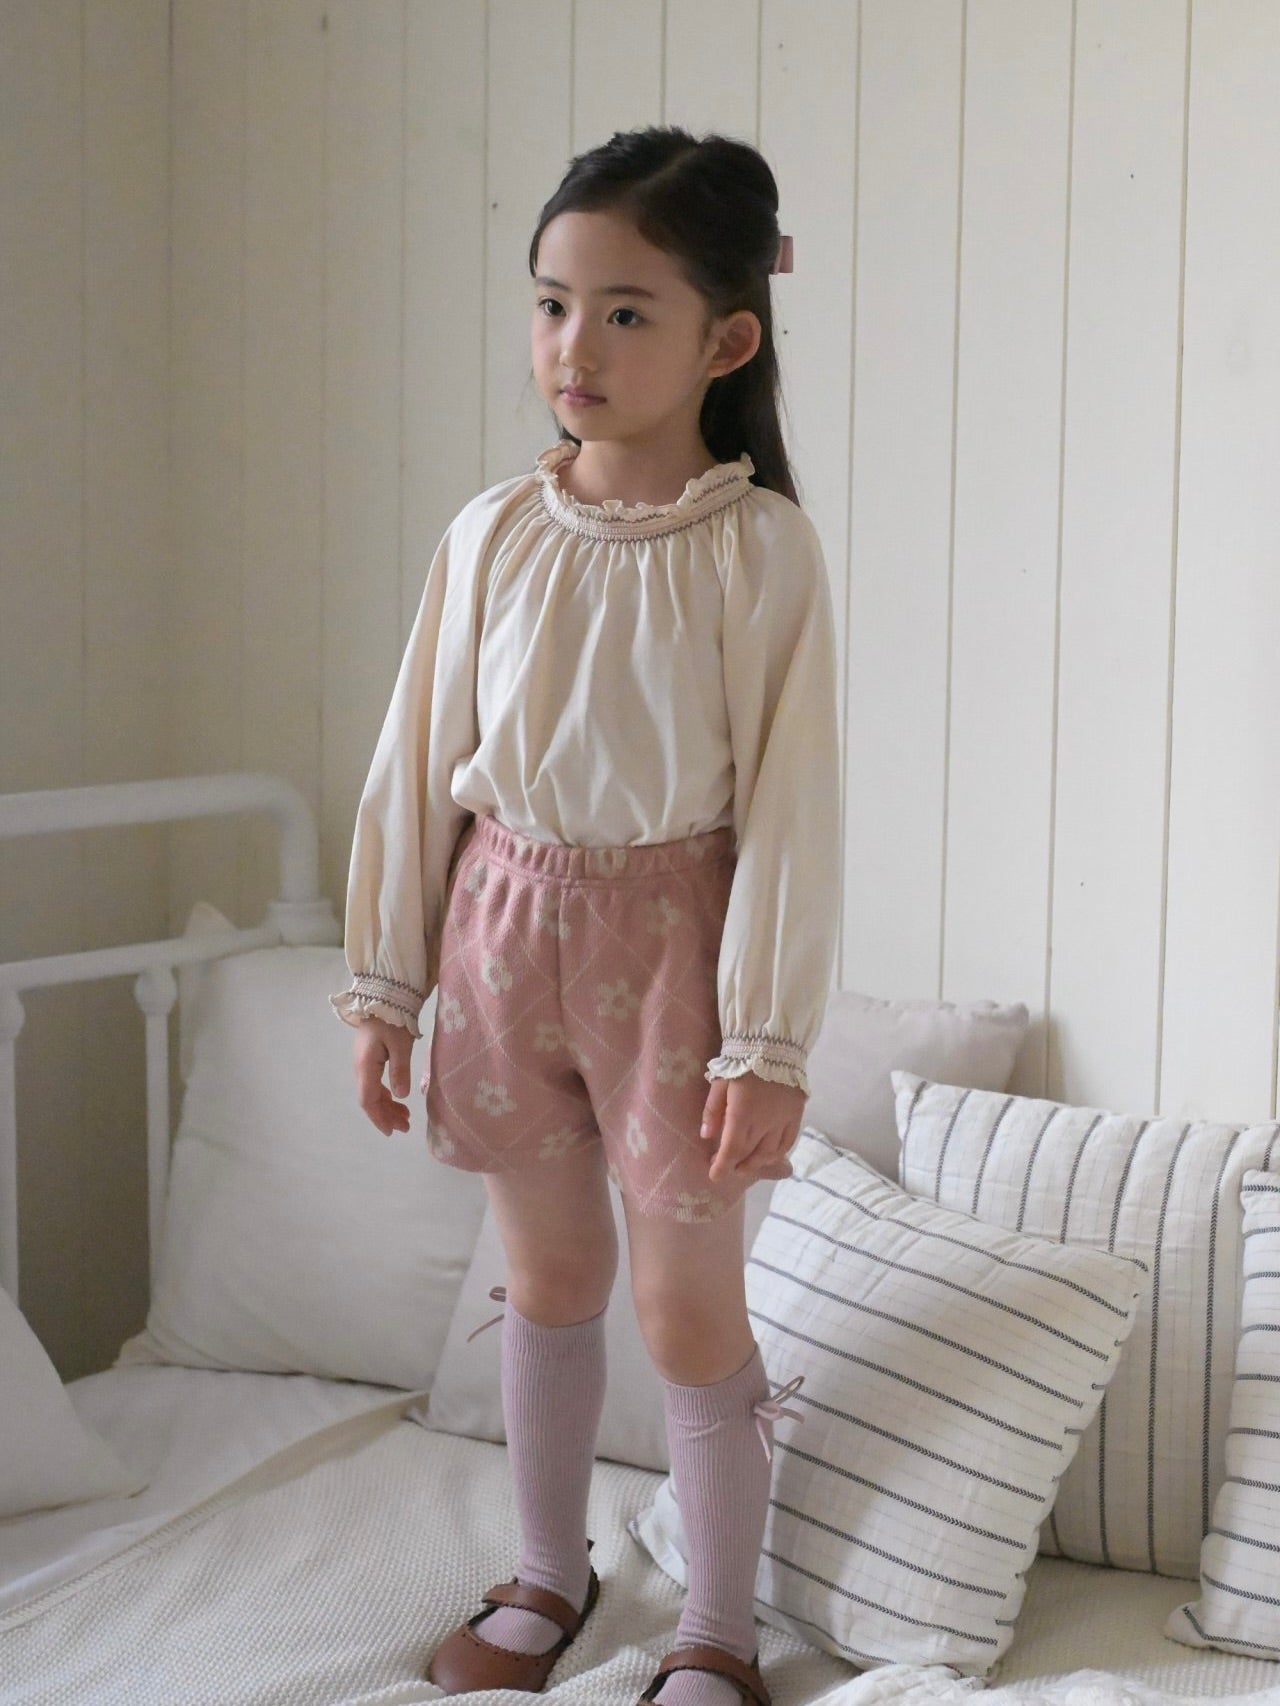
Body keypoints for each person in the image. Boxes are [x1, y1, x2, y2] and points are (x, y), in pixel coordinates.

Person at [330, 124, 840, 1706]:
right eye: (553, 304)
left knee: (686, 1305)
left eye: (625, 311)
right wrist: (387, 984)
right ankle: (549, 1573)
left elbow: (794, 808)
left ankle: (718, 1631)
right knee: (547, 1279)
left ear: (725, 340)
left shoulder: (759, 549)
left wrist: (767, 1040)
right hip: (499, 935)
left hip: (675, 956)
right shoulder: (490, 532)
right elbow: (416, 763)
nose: (575, 346)